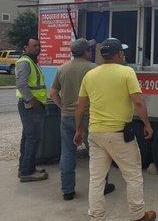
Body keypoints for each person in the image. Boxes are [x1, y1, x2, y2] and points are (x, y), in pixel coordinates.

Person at [73, 38, 156, 221]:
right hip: (120, 135)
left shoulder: (90, 75)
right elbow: (138, 102)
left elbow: (79, 106)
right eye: (123, 53)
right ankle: (137, 217)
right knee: (133, 176)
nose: (124, 56)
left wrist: (78, 130)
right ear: (118, 55)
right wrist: (147, 124)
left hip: (96, 135)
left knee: (96, 180)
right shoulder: (126, 72)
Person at [50, 38, 115, 201]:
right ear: (86, 52)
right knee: (97, 153)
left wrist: (62, 106)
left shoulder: (62, 69)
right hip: (88, 116)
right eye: (90, 49)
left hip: (66, 116)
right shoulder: (93, 68)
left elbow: (53, 93)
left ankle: (67, 190)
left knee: (67, 153)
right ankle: (102, 186)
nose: (91, 51)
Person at [15, 37, 49, 182]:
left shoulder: (32, 61)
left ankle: (25, 167)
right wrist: (32, 100)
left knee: (28, 137)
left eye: (39, 45)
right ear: (26, 47)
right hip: (30, 106)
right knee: (33, 138)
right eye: (34, 45)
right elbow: (21, 84)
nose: (38, 48)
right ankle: (27, 172)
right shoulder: (25, 62)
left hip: (33, 105)